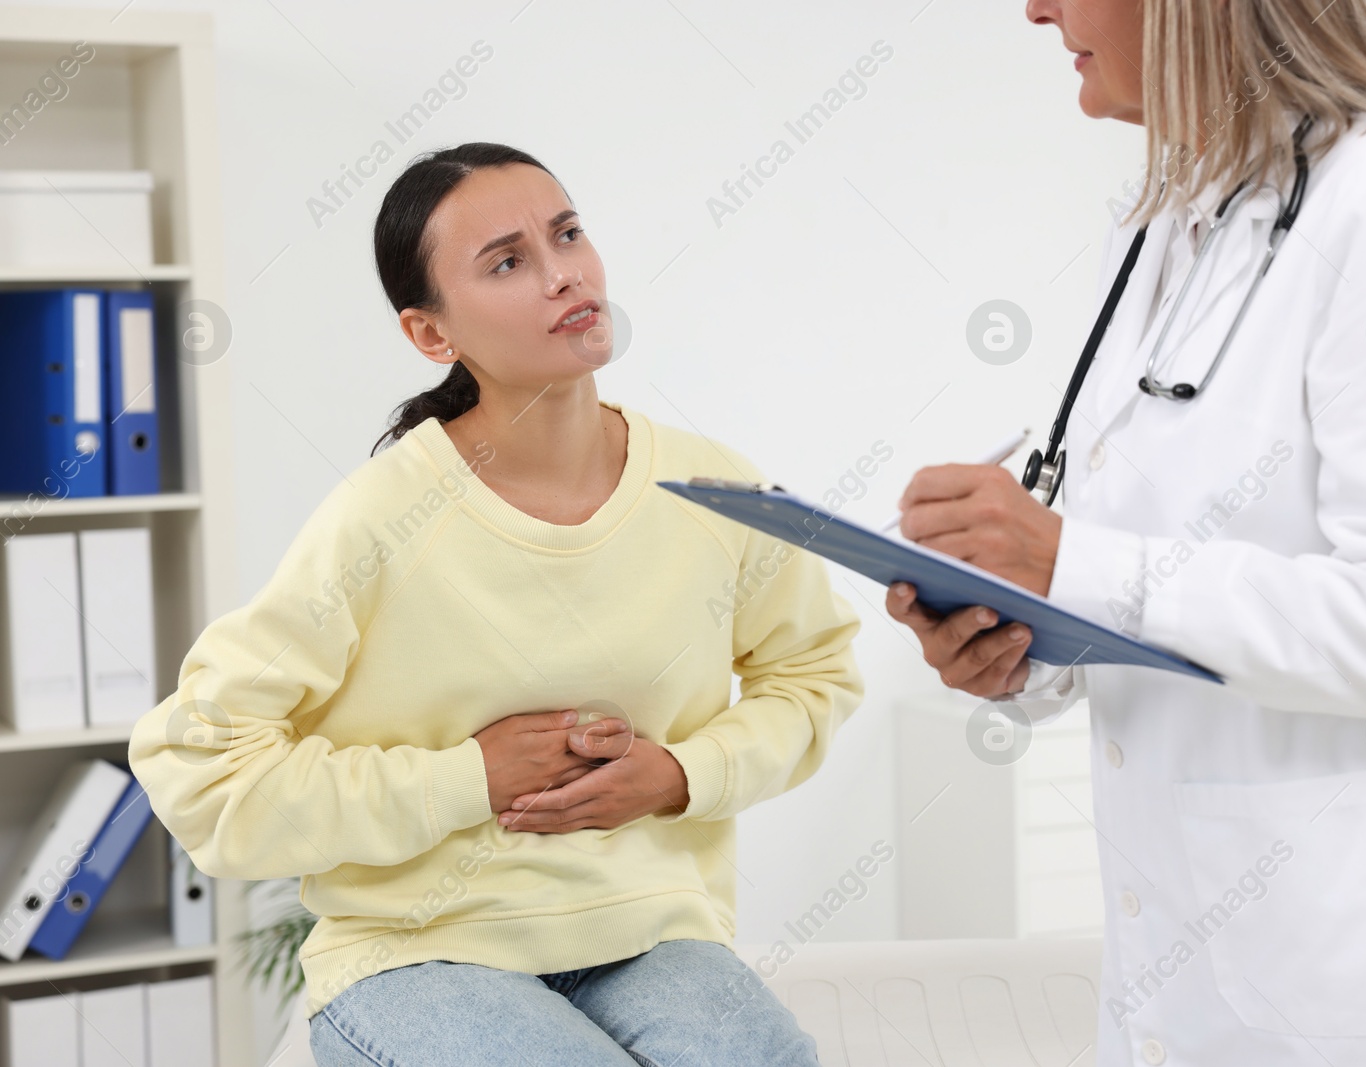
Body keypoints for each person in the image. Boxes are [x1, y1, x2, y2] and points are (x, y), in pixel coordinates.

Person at [885, 1, 1366, 1063]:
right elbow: (1155, 580)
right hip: (1188, 987)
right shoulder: (1172, 221)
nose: (1034, 8)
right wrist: (1013, 643)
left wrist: (1071, 561)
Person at [129, 142, 863, 1067]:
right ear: (432, 335)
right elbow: (198, 765)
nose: (564, 275)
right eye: (509, 262)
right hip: (414, 950)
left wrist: (681, 773)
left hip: (645, 933)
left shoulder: (712, 488)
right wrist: (466, 777)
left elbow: (813, 673)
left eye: (567, 234)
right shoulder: (382, 518)